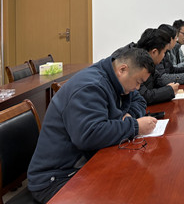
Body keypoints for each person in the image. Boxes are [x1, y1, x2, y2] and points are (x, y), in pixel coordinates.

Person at [28, 47, 157, 203]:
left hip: (84, 163)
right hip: (55, 179)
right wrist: (134, 126)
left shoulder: (117, 80)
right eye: (138, 82)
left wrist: (129, 116)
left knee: (135, 183)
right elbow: (89, 135)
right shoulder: (90, 86)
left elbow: (139, 100)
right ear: (122, 69)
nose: (137, 88)